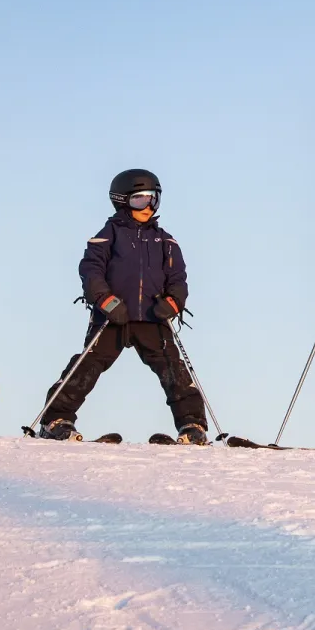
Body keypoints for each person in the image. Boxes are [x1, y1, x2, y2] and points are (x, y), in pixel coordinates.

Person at [36, 168, 211, 444]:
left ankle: (192, 425)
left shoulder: (165, 241)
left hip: (153, 318)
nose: (149, 206)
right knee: (88, 364)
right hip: (114, 316)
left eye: (154, 199)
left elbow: (178, 278)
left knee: (173, 368)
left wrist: (173, 302)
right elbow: (91, 270)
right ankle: (56, 419)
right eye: (141, 200)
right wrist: (105, 300)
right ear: (122, 200)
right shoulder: (108, 235)